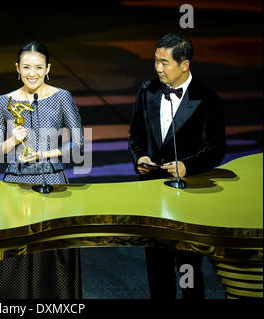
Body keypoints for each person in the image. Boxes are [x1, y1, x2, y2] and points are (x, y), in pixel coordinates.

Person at [128, 33, 227, 299]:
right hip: (152, 193)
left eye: (165, 62)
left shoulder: (208, 100)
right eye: (155, 61)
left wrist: (187, 166)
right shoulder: (147, 90)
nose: (158, 68)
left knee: (188, 269)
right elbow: (136, 135)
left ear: (184, 65)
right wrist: (139, 157)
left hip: (189, 196)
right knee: (157, 270)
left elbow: (216, 148)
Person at [0, 41, 84, 298]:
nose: (32, 73)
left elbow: (79, 143)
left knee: (53, 250)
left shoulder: (62, 97)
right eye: (27, 67)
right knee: (16, 251)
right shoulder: (4, 101)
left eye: (39, 67)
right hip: (16, 182)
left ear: (48, 68)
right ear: (17, 68)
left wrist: (47, 153)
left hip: (53, 180)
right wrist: (13, 141)